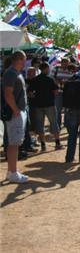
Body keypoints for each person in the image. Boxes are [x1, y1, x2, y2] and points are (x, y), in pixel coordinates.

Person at [2, 51, 29, 183]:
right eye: (24, 59)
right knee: (14, 143)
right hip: (15, 113)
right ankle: (13, 172)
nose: (25, 62)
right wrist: (16, 110)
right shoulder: (11, 73)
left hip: (17, 111)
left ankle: (11, 171)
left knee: (14, 142)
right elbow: (8, 94)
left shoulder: (14, 73)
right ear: (18, 59)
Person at [29, 62, 61, 151]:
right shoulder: (50, 79)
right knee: (54, 123)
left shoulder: (35, 80)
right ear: (46, 69)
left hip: (38, 105)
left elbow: (30, 93)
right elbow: (56, 92)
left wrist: (36, 97)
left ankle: (43, 144)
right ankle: (57, 143)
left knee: (40, 124)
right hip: (49, 104)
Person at [63, 65, 80, 163]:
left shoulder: (70, 80)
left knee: (72, 135)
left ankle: (69, 158)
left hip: (71, 110)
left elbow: (64, 96)